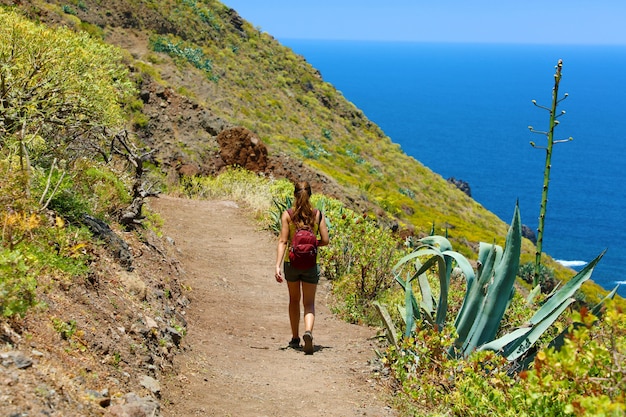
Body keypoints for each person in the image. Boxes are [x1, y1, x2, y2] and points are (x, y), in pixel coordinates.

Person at [275, 181, 329, 354]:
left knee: (293, 300)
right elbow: (326, 241)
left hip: (292, 263)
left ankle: (295, 338)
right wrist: (313, 245)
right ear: (310, 195)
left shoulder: (288, 215)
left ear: (294, 195)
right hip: (310, 264)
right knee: (309, 303)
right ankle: (308, 332)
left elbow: (283, 241)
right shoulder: (317, 215)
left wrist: (277, 265)